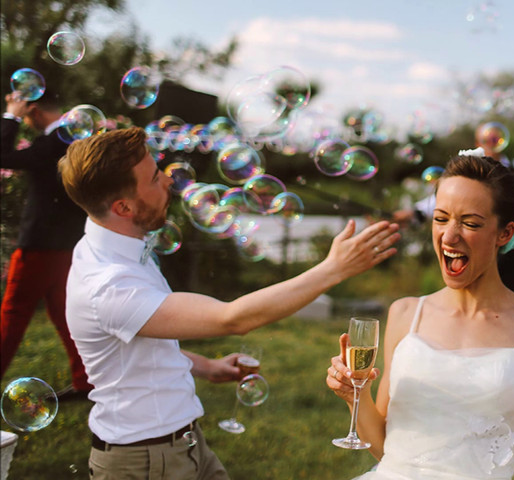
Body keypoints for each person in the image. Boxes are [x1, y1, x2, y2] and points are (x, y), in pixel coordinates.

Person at [57, 127, 400, 480]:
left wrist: (205, 365)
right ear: (123, 206)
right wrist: (333, 269)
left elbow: (132, 347)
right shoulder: (108, 284)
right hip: (147, 461)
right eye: (154, 178)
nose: (168, 183)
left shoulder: (114, 249)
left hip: (183, 443)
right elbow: (231, 318)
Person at [328, 153, 514, 479]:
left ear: (504, 234)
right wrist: (353, 398)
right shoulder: (405, 313)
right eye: (440, 218)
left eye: (471, 223)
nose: (449, 236)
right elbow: (382, 446)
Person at [394, 141, 514, 293]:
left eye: (471, 223)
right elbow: (446, 203)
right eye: (484, 139)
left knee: (507, 291)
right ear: (476, 143)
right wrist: (414, 213)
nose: (448, 237)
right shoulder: (464, 172)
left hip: (512, 249)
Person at [1, 90, 92, 399]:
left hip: (39, 247)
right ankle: (86, 381)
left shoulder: (49, 144)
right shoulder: (75, 140)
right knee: (67, 315)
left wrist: (10, 116)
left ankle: (85, 381)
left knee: (13, 314)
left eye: (26, 114)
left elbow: (3, 155)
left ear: (34, 111)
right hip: (69, 245)